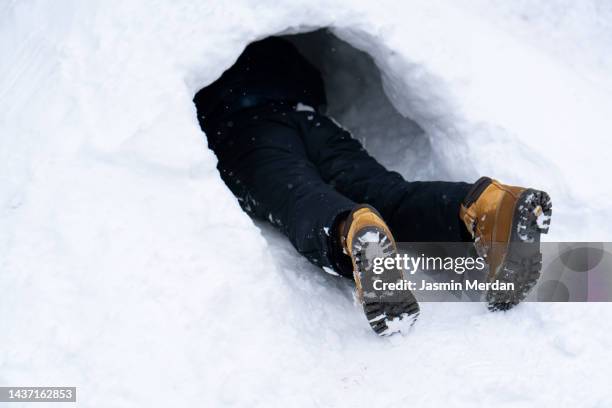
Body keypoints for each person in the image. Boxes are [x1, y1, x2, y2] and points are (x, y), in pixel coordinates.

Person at [194, 36, 552, 335]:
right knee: (385, 191)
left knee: (298, 194)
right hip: (309, 116)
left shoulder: (202, 34)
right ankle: (486, 207)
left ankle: (354, 232)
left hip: (242, 128)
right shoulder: (266, 43)